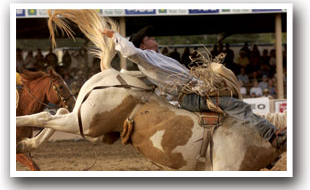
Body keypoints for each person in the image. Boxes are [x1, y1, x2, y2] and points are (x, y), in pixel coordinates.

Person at [100, 26, 286, 151]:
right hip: (189, 96)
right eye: (150, 37)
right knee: (239, 107)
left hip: (195, 91)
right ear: (143, 44)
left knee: (232, 107)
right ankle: (272, 136)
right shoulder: (144, 57)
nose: (154, 38)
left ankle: (258, 147)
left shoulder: (156, 58)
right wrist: (114, 36)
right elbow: (130, 51)